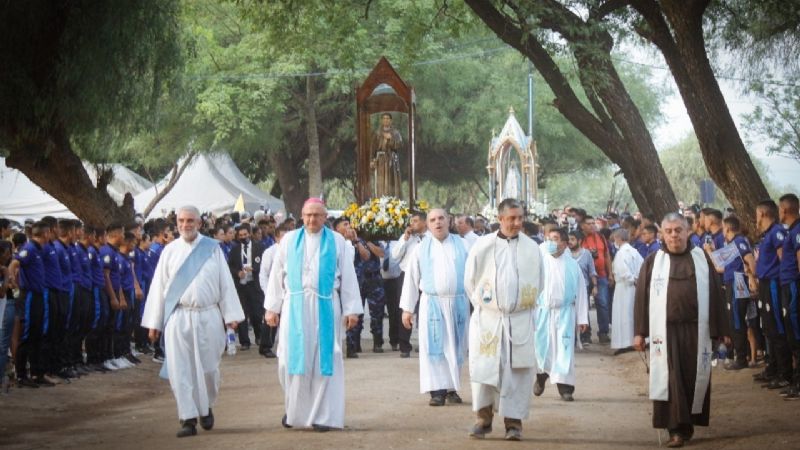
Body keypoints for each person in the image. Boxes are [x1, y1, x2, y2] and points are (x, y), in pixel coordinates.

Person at [142, 206, 245, 438]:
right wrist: (154, 322)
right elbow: (159, 288)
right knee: (181, 369)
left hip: (208, 316)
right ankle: (187, 417)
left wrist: (231, 317)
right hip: (179, 318)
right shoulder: (169, 252)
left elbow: (225, 283)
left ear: (199, 223)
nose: (185, 225)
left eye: (190, 221)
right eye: (181, 221)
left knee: (209, 368)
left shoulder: (212, 249)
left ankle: (206, 406)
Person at [634, 213, 731, 448]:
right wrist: (640, 332)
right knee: (671, 379)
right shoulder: (653, 261)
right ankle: (675, 429)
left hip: (696, 332)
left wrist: (722, 330)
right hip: (663, 333)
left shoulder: (700, 259)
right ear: (662, 235)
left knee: (691, 378)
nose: (674, 235)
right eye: (669, 231)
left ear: (688, 231)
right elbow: (641, 299)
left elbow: (716, 294)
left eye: (678, 230)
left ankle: (686, 426)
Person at [265, 198, 362, 431]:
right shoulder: (288, 240)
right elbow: (276, 275)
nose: (312, 219)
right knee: (290, 359)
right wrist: (272, 307)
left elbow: (348, 276)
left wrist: (352, 309)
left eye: (317, 215)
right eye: (308, 215)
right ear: (301, 215)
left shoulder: (337, 241)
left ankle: (322, 415)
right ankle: (294, 411)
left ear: (325, 217)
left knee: (325, 360)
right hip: (294, 305)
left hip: (326, 305)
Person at [465, 198, 545, 441]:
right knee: (485, 370)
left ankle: (514, 423)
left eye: (520, 218)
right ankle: (483, 418)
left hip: (519, 320)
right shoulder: (483, 246)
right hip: (489, 320)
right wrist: (486, 306)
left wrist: (520, 306)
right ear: (500, 219)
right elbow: (470, 281)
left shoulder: (532, 248)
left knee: (517, 374)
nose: (517, 222)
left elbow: (539, 283)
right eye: (511, 218)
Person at [400, 208, 469, 406]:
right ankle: (436, 391)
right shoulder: (421, 249)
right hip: (432, 305)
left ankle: (452, 388)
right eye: (433, 220)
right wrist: (407, 308)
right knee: (435, 347)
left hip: (457, 303)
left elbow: (473, 275)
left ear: (449, 221)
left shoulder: (463, 245)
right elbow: (411, 279)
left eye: (441, 218)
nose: (437, 223)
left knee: (456, 347)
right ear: (428, 224)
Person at [533, 228, 589, 402]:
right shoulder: (540, 262)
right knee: (543, 347)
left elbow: (581, 292)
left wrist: (582, 318)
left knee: (564, 350)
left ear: (565, 244)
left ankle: (565, 387)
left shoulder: (572, 266)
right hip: (542, 312)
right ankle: (541, 375)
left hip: (565, 313)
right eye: (548, 238)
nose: (550, 242)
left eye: (555, 239)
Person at [752, 200, 793, 390]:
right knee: (768, 328)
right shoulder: (766, 235)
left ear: (762, 214)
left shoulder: (777, 232)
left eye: (756, 214)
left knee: (778, 329)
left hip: (774, 285)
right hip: (765, 285)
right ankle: (773, 368)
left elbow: (783, 259)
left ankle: (785, 373)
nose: (755, 218)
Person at [718, 216, 756, 371]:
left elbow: (750, 259)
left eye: (723, 228)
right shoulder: (732, 243)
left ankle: (741, 358)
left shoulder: (739, 241)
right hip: (732, 281)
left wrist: (753, 277)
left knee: (737, 320)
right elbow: (719, 266)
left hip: (738, 282)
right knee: (735, 320)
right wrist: (707, 252)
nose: (722, 232)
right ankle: (742, 355)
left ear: (727, 228)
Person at [227, 223, 266, 352]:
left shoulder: (259, 247)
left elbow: (264, 264)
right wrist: (237, 272)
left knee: (256, 313)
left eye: (245, 234)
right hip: (241, 285)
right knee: (242, 313)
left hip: (254, 284)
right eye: (241, 235)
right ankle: (244, 341)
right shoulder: (234, 250)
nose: (243, 237)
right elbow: (230, 266)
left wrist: (254, 269)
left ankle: (259, 336)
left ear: (249, 233)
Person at [777, 193, 800, 399]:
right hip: (787, 284)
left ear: (784, 210)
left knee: (797, 333)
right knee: (792, 334)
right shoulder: (792, 231)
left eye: (779, 209)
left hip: (794, 285)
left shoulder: (798, 230)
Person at [257, 223, 290, 358]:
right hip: (273, 291)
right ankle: (265, 346)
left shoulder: (293, 250)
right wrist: (268, 292)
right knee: (270, 320)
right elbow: (263, 274)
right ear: (276, 238)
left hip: (289, 292)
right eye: (283, 237)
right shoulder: (269, 252)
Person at [610, 228, 643, 354]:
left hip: (624, 287)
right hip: (634, 285)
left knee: (623, 314)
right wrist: (637, 279)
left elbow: (622, 271)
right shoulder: (634, 251)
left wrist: (631, 278)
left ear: (618, 238)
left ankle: (625, 342)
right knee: (631, 313)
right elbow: (642, 266)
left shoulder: (621, 253)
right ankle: (631, 339)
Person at [581, 215, 613, 343]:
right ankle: (585, 334)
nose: (592, 226)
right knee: (584, 306)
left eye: (593, 223)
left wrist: (610, 273)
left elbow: (606, 256)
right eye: (588, 223)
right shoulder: (579, 238)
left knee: (603, 303)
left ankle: (603, 332)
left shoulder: (601, 237)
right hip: (583, 277)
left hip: (601, 275)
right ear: (582, 225)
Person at [569, 230, 597, 344]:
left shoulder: (586, 254)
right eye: (568, 239)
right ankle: (572, 337)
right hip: (569, 289)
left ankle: (585, 335)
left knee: (583, 310)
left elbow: (592, 271)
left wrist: (595, 286)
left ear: (579, 241)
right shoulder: (565, 254)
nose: (570, 242)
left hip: (583, 288)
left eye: (572, 239)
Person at [370, 112, 402, 198]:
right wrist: (372, 160)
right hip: (380, 160)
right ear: (381, 120)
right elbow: (373, 147)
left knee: (391, 181)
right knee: (381, 182)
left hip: (392, 160)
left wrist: (391, 138)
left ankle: (393, 202)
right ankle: (380, 200)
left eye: (387, 118)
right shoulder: (377, 133)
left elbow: (399, 145)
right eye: (384, 118)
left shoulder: (396, 133)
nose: (386, 120)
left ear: (391, 120)